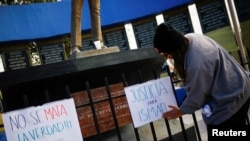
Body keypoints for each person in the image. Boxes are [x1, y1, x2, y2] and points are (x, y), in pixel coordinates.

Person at [153, 22, 250, 135]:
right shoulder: (191, 37)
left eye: (166, 54)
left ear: (174, 50)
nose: (167, 57)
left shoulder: (196, 64)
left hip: (230, 101)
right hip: (238, 88)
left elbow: (196, 98)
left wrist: (180, 111)